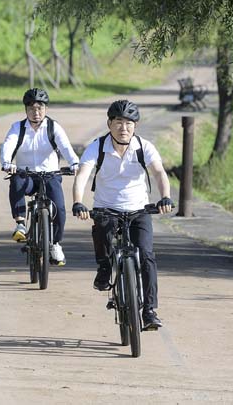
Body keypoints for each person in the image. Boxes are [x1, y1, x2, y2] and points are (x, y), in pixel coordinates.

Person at [71, 99, 173, 330]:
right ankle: (104, 267)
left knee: (147, 256)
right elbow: (83, 175)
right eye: (118, 122)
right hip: (107, 208)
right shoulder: (96, 147)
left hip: (139, 209)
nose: (123, 128)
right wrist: (78, 202)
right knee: (101, 233)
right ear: (109, 124)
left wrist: (165, 196)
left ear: (135, 126)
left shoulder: (144, 147)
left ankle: (149, 310)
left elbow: (158, 172)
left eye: (129, 123)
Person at [0, 88, 79, 266]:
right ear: (25, 110)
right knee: (16, 181)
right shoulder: (18, 128)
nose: (36, 112)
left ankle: (55, 244)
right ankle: (20, 224)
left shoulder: (53, 127)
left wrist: (74, 163)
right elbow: (8, 146)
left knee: (59, 208)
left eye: (40, 108)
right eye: (31, 108)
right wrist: (7, 163)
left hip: (50, 175)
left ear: (46, 109)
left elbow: (66, 147)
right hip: (26, 175)